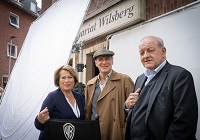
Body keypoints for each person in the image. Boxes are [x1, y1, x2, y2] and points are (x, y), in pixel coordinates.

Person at [125, 36, 198, 140]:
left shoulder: (180, 76)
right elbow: (138, 109)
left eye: (150, 50)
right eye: (142, 53)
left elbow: (184, 122)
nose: (145, 56)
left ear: (163, 52)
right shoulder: (140, 79)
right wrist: (128, 106)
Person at [85, 48, 134, 140]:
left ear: (112, 61)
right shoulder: (90, 84)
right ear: (96, 63)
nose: (104, 62)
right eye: (100, 59)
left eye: (107, 59)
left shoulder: (124, 80)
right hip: (94, 131)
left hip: (115, 131)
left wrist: (125, 129)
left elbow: (134, 109)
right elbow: (88, 111)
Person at [34, 65, 85, 140]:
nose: (67, 80)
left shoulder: (79, 97)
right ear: (58, 80)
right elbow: (39, 125)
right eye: (63, 78)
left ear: (74, 79)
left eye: (70, 77)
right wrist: (39, 120)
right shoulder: (52, 97)